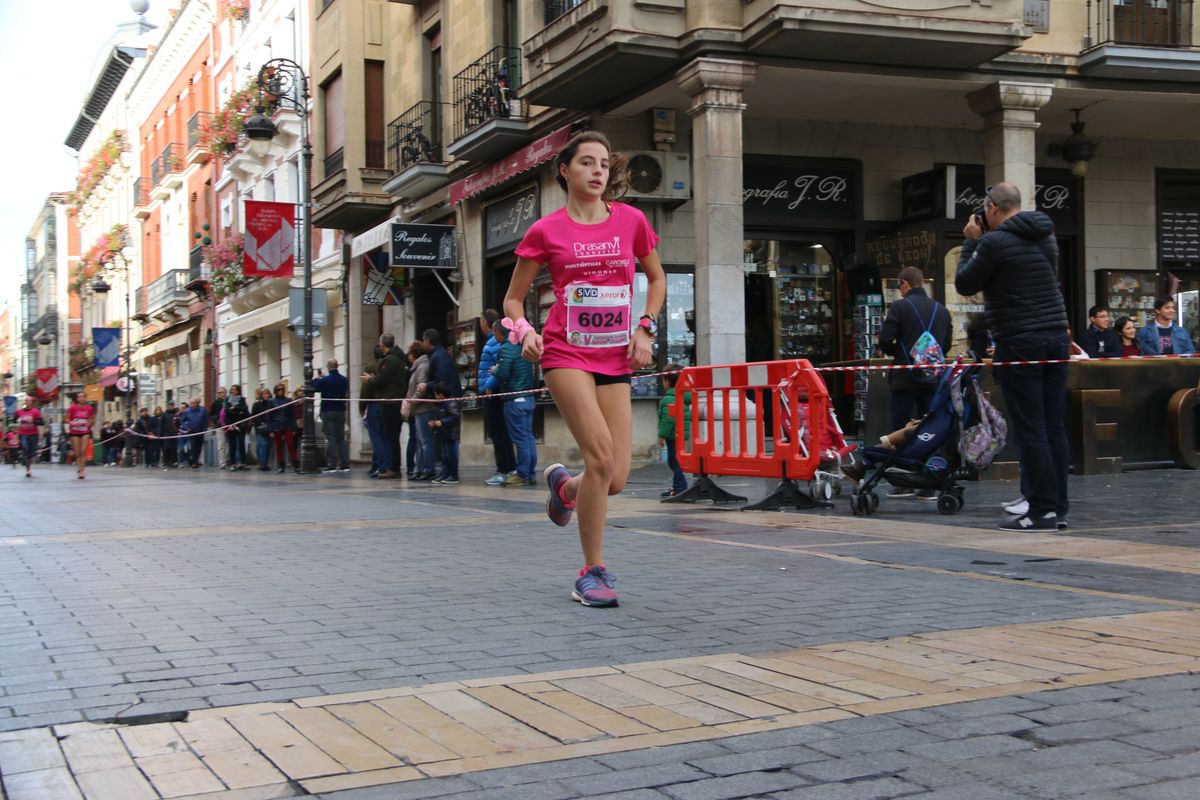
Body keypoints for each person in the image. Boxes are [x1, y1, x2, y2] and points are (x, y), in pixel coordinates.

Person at [503, 130, 666, 608]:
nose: (597, 171)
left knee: (614, 478)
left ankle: (564, 487)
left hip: (616, 352)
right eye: (587, 163)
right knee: (600, 457)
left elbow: (655, 279)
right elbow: (513, 298)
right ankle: (591, 573)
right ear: (565, 170)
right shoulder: (545, 231)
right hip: (565, 352)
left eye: (603, 164)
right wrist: (523, 331)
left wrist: (645, 328)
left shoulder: (632, 221)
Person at [956, 181, 1069, 532]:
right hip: (1056, 337)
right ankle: (1056, 506)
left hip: (1021, 341)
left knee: (1031, 428)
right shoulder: (1046, 236)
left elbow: (964, 283)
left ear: (991, 208)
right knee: (1053, 425)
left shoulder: (992, 242)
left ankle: (1041, 511)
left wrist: (971, 241)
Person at [877, 265, 952, 499]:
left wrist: (900, 350)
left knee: (902, 427)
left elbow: (886, 341)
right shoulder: (942, 310)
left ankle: (904, 480)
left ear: (905, 284)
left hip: (905, 377)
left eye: (899, 285)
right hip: (932, 379)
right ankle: (930, 481)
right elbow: (946, 345)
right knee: (930, 428)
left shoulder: (900, 307)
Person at [487, 317, 537, 487]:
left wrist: (495, 370)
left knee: (521, 439)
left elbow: (505, 374)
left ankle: (522, 474)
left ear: (500, 332)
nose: (494, 336)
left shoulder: (506, 348)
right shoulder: (521, 345)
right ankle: (530, 472)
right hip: (528, 397)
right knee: (529, 437)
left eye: (494, 332)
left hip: (514, 399)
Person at [360, 334, 407, 479]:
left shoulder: (390, 360)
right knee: (390, 436)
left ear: (382, 345)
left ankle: (392, 467)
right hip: (392, 400)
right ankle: (392, 466)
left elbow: (381, 380)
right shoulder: (398, 358)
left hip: (390, 401)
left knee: (389, 436)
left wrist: (369, 379)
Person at [479, 309, 517, 486]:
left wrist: (488, 386)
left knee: (498, 432)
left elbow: (501, 365)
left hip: (493, 393)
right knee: (498, 432)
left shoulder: (496, 342)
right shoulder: (493, 341)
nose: (480, 324)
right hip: (492, 392)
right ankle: (506, 467)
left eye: (481, 320)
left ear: (487, 323)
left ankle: (504, 469)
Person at [657, 367, 692, 498]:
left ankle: (680, 487)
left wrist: (661, 436)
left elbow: (668, 420)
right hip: (680, 434)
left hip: (673, 435)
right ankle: (678, 487)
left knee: (674, 462)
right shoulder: (682, 397)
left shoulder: (669, 399)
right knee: (676, 461)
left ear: (667, 381)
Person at [313, 359, 351, 473]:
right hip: (340, 410)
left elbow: (315, 387)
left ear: (328, 367)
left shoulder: (325, 380)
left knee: (331, 437)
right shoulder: (344, 380)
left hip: (328, 410)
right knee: (341, 437)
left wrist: (317, 377)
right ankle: (345, 463)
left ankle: (332, 463)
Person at [406, 340, 436, 481]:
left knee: (425, 440)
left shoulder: (422, 366)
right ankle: (420, 468)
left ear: (414, 354)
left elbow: (421, 387)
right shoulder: (417, 367)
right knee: (420, 440)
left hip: (424, 408)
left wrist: (413, 399)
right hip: (418, 409)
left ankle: (428, 469)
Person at [429, 383, 461, 485]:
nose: (435, 397)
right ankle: (445, 473)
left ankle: (453, 475)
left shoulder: (451, 403)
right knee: (444, 456)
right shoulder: (440, 405)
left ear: (441, 394)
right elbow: (439, 417)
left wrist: (442, 422)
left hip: (451, 434)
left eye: (436, 394)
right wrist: (434, 423)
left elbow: (455, 417)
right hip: (443, 434)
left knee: (451, 455)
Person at [268, 384, 298, 472]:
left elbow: (292, 415)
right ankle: (281, 465)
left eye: (282, 389)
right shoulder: (271, 401)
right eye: (278, 389)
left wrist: (294, 428)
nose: (280, 391)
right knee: (279, 446)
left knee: (290, 444)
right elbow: (269, 416)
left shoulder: (288, 400)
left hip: (287, 425)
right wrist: (270, 430)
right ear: (275, 391)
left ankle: (295, 463)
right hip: (276, 426)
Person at [66, 393, 95, 479]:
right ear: (77, 399)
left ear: (86, 398)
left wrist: (89, 423)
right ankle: (72, 456)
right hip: (74, 431)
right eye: (80, 397)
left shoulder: (89, 408)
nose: (82, 399)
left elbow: (92, 420)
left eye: (83, 397)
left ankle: (81, 471)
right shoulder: (72, 408)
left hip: (85, 431)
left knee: (83, 451)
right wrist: (71, 422)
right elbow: (66, 418)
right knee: (78, 453)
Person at [15, 396, 44, 478]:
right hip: (23, 433)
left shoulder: (36, 411)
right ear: (25, 402)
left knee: (32, 453)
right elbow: (14, 419)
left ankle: (27, 462)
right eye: (26, 401)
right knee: (25, 448)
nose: (28, 402)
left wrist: (34, 421)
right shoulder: (19, 411)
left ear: (32, 402)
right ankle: (28, 469)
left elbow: (42, 422)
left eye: (29, 401)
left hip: (34, 434)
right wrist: (17, 422)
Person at [177, 397, 209, 468]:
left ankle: (196, 460)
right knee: (193, 446)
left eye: (195, 403)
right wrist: (186, 427)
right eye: (192, 403)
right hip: (191, 432)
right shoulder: (187, 411)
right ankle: (194, 462)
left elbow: (206, 421)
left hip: (200, 432)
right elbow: (182, 421)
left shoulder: (202, 410)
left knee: (199, 447)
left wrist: (204, 429)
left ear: (197, 403)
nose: (193, 405)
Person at [224, 385, 250, 469]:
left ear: (238, 390)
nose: (232, 391)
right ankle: (233, 463)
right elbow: (227, 411)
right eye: (231, 389)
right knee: (232, 445)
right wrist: (239, 412)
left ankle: (243, 463)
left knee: (241, 443)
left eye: (234, 389)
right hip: (231, 424)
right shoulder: (228, 400)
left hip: (241, 425)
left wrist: (235, 407)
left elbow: (245, 409)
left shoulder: (242, 399)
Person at [251, 388, 275, 471]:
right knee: (263, 444)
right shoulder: (256, 404)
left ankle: (265, 462)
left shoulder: (272, 404)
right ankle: (263, 463)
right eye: (264, 394)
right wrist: (260, 423)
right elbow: (253, 416)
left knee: (268, 446)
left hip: (270, 428)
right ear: (261, 395)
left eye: (267, 394)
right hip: (260, 428)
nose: (266, 395)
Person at [209, 388, 228, 469]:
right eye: (218, 392)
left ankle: (229, 459)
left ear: (225, 393)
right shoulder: (215, 403)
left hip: (229, 425)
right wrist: (216, 420)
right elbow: (211, 414)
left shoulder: (228, 401)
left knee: (230, 444)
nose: (219, 394)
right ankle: (222, 462)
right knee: (221, 445)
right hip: (219, 426)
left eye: (221, 392)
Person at [160, 403, 179, 469]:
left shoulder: (176, 414)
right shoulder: (164, 414)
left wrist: (178, 430)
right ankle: (166, 461)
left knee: (174, 448)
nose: (171, 407)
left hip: (174, 434)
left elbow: (178, 423)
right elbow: (161, 424)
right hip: (166, 434)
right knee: (166, 448)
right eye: (170, 405)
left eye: (172, 405)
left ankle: (174, 461)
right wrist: (161, 434)